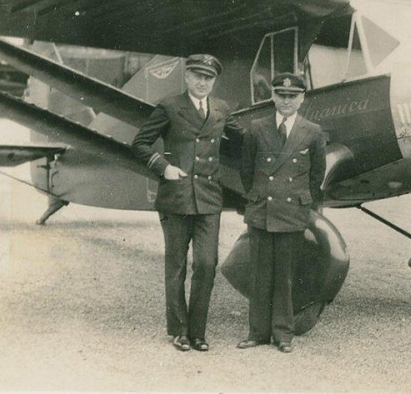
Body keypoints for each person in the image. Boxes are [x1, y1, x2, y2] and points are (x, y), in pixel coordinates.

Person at [132, 53, 242, 352]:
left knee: (206, 264)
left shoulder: (221, 109)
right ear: (187, 77)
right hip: (176, 198)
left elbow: (244, 140)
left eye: (208, 77)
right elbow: (140, 143)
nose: (203, 82)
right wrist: (162, 167)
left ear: (214, 80)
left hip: (208, 198)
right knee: (177, 266)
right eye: (197, 76)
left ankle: (198, 331)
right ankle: (180, 331)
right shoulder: (169, 106)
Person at [236, 72, 326, 353]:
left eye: (292, 96)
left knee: (286, 276)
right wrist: (258, 196)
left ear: (302, 98)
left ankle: (283, 334)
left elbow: (317, 175)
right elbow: (246, 171)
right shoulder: (256, 127)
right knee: (260, 275)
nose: (286, 101)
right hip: (262, 209)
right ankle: (257, 333)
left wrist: (301, 200)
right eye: (281, 95)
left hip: (291, 212)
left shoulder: (312, 132)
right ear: (273, 96)